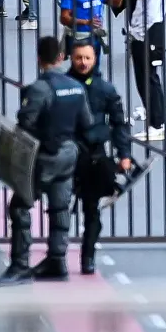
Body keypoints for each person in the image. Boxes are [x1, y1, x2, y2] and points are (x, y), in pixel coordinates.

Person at [0, 37, 95, 285]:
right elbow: (87, 123)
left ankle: (19, 264)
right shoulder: (75, 87)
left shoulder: (40, 88)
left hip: (44, 155)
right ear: (61, 57)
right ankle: (57, 261)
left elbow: (26, 122)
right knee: (60, 207)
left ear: (39, 59)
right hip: (69, 153)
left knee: (20, 206)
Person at [68, 40, 132, 275]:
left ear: (95, 59)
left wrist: (124, 155)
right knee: (59, 208)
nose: (83, 62)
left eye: (87, 58)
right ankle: (56, 254)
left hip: (94, 157)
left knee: (92, 210)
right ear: (71, 58)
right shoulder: (63, 86)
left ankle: (88, 257)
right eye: (78, 58)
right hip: (66, 155)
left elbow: (118, 124)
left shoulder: (105, 90)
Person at [111, 0, 166, 142]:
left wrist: (137, 33)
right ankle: (154, 119)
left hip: (147, 35)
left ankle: (157, 124)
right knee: (146, 78)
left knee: (148, 79)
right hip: (146, 33)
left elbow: (151, 13)